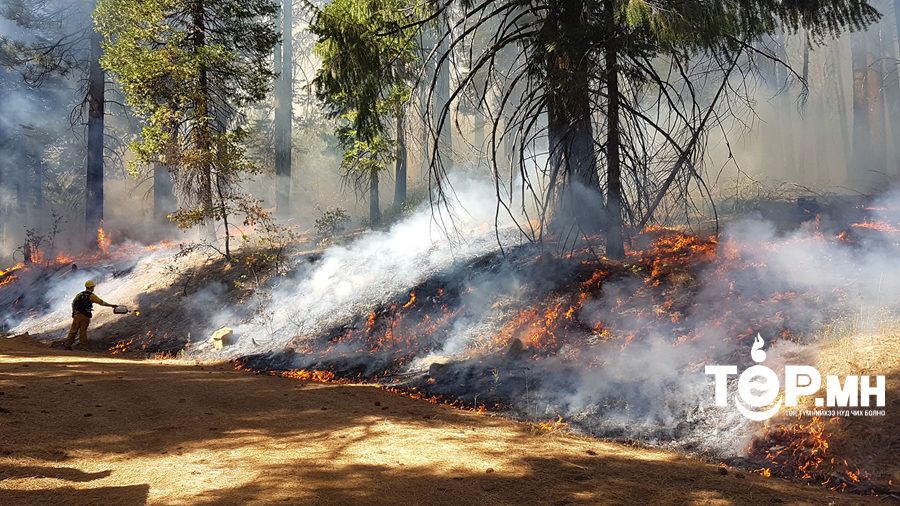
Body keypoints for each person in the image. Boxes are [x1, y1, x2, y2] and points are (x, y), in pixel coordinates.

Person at [64, 280, 118, 350]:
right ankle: (82, 346)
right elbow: (101, 303)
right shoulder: (92, 296)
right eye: (93, 287)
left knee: (73, 330)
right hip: (85, 316)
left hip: (77, 314)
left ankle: (67, 345)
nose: (93, 288)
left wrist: (73, 312)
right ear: (91, 287)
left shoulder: (79, 294)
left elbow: (73, 303)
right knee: (82, 331)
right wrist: (111, 305)